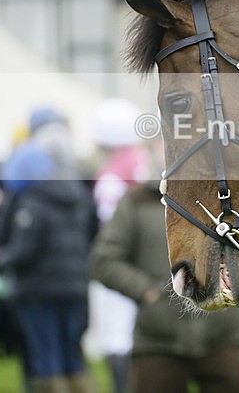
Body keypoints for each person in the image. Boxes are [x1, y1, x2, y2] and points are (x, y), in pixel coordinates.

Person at [89, 182, 239, 393]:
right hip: (158, 338)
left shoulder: (230, 200)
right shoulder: (137, 201)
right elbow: (104, 261)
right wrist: (146, 290)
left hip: (223, 333)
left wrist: (236, 279)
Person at [0, 110, 97, 393]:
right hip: (75, 286)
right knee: (72, 357)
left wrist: (0, 261)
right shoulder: (79, 194)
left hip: (39, 290)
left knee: (46, 358)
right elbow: (92, 235)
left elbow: (23, 250)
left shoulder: (32, 201)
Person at [90, 98, 149, 393]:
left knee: (117, 337)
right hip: (148, 265)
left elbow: (109, 229)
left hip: (122, 264)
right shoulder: (145, 162)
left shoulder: (112, 174)